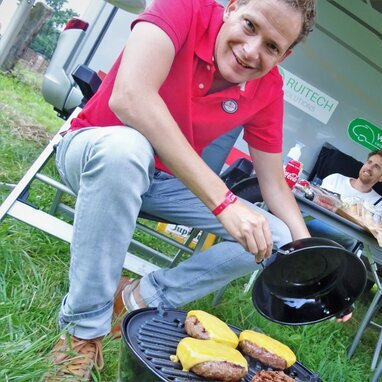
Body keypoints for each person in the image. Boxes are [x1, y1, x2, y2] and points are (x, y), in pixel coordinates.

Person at [46, 0, 326, 380]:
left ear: (285, 54)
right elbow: (130, 97)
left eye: (272, 47)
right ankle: (83, 332)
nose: (251, 51)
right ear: (232, 7)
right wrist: (224, 200)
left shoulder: (268, 89)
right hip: (95, 153)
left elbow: (274, 184)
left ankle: (137, 297)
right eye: (249, 25)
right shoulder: (181, 9)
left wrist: (311, 258)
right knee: (129, 150)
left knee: (273, 236)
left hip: (164, 182)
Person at [307, 150, 382, 250]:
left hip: (342, 244)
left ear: (381, 177)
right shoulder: (335, 178)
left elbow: (374, 233)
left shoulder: (379, 203)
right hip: (310, 224)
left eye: (376, 167)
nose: (369, 168)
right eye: (369, 162)